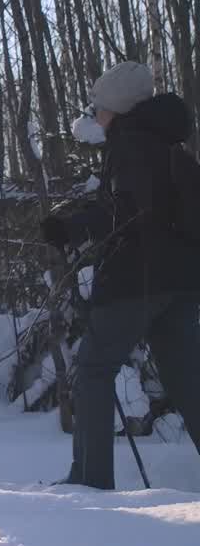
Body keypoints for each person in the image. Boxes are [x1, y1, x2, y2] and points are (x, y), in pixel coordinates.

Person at [41, 61, 200, 488]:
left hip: (136, 279)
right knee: (187, 379)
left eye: (100, 107)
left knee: (93, 370)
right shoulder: (172, 149)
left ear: (120, 108)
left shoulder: (130, 146)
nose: (97, 115)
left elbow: (126, 210)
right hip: (183, 282)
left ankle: (89, 482)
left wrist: (69, 228)